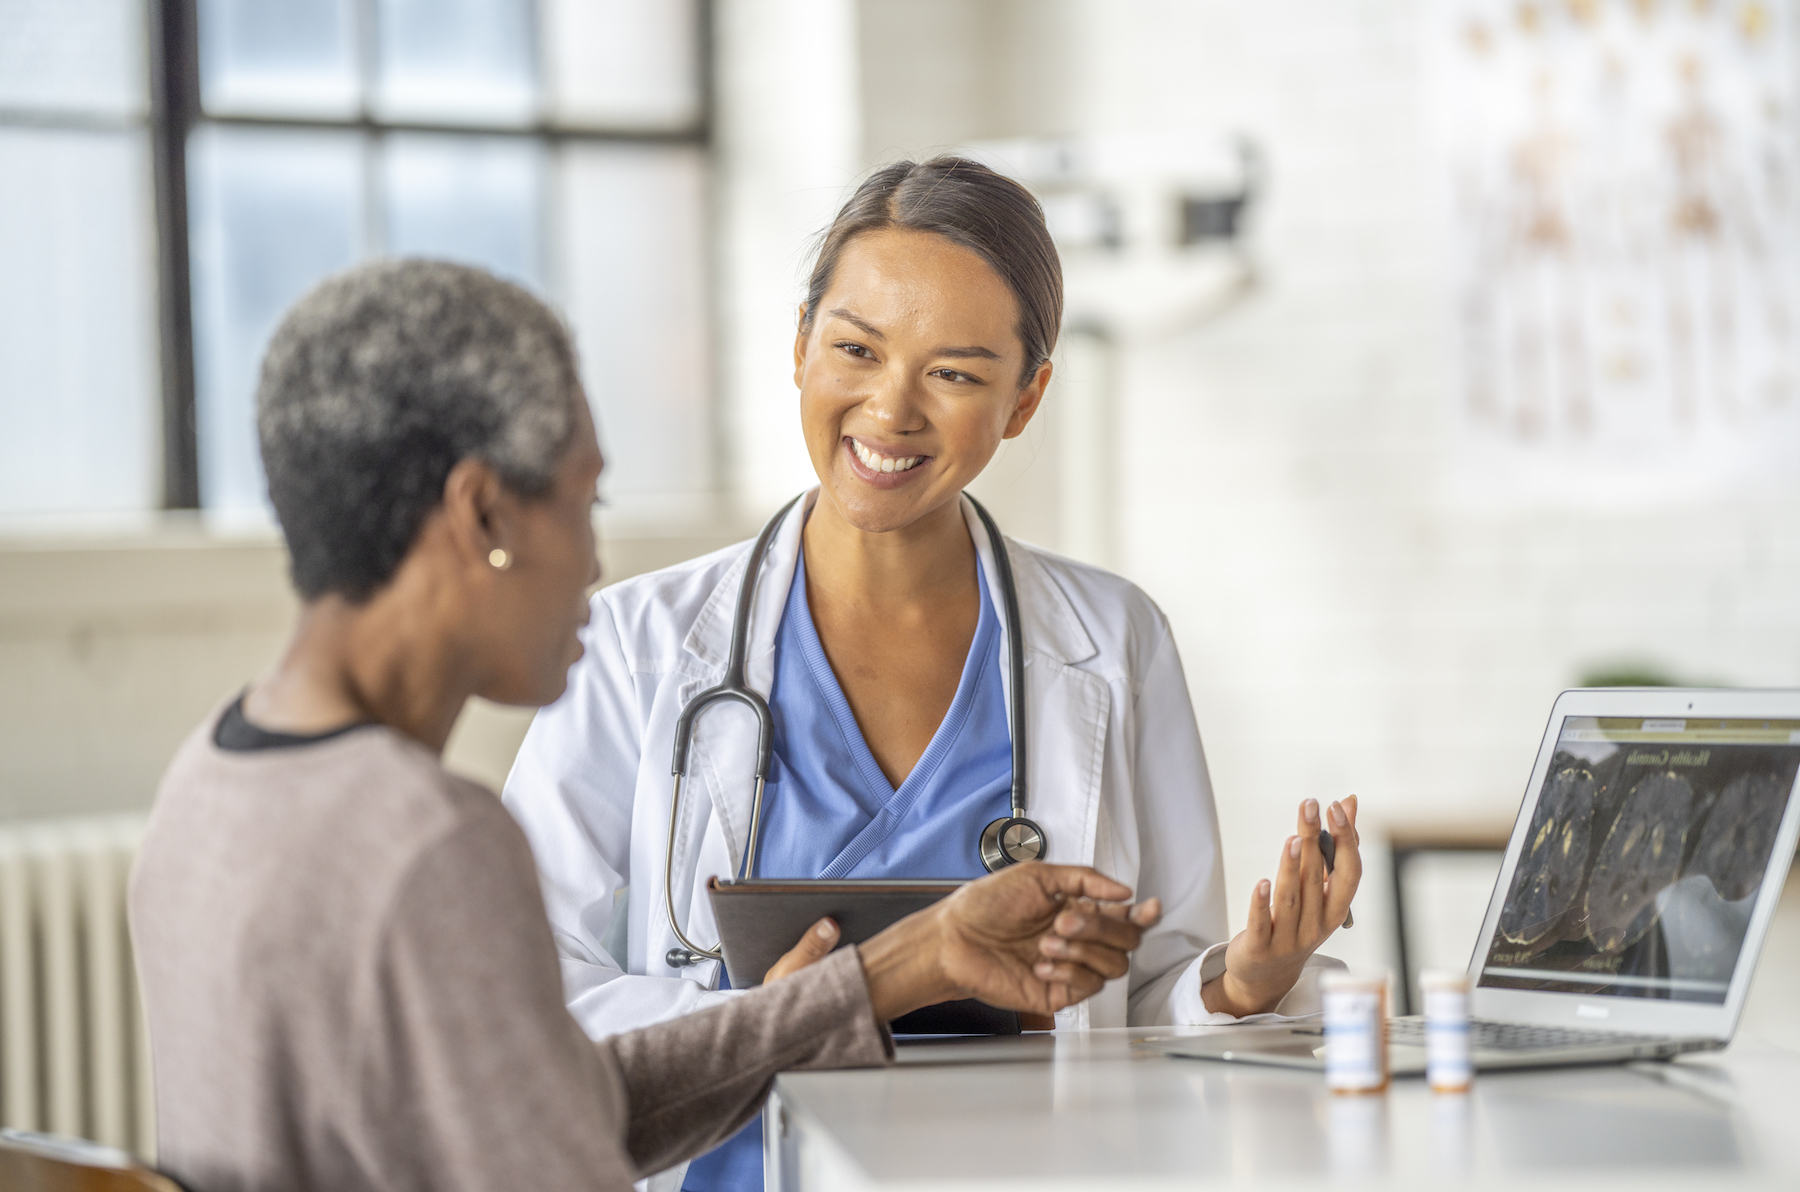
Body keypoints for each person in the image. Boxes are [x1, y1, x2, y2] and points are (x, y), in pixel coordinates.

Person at [127, 259, 1161, 1192]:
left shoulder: (212, 779)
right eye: (584, 502)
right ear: (483, 515)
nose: (594, 564)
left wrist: (901, 965)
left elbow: (558, 1105)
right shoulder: (430, 843)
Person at [502, 156, 1362, 1191]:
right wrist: (776, 1021)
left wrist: (1243, 982)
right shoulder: (636, 647)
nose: (891, 408)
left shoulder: (1114, 639)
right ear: (799, 349)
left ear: (1025, 397)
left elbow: (1148, 992)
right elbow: (523, 992)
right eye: (855, 349)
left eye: (954, 373)